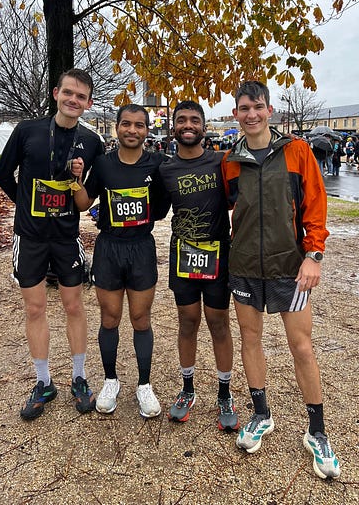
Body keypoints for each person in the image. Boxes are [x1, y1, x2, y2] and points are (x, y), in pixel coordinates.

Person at [222, 80, 340, 479]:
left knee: (301, 346)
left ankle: (317, 431)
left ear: (269, 110)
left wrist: (314, 255)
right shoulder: (230, 160)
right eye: (244, 108)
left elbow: (316, 206)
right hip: (244, 267)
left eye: (257, 107)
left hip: (289, 266)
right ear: (236, 114)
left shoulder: (297, 151)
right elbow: (228, 209)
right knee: (250, 339)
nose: (251, 114)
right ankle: (261, 414)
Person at [0, 68, 104, 420]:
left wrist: (77, 180)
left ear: (88, 103)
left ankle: (79, 377)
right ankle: (43, 382)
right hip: (30, 237)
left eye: (81, 96)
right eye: (68, 92)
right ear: (56, 93)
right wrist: (25, 204)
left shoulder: (92, 142)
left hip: (66, 237)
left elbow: (88, 195)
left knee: (74, 306)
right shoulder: (27, 130)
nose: (73, 100)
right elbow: (2, 174)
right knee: (35, 308)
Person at [71, 104, 168, 418]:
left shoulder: (157, 164)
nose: (132, 130)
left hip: (141, 248)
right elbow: (84, 203)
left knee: (141, 319)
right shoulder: (103, 164)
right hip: (109, 249)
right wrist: (75, 179)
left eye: (139, 125)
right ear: (117, 127)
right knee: (110, 317)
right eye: (126, 124)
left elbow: (162, 208)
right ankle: (110, 381)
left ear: (147, 130)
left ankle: (144, 385)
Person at [158, 101, 239, 432]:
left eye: (194, 120)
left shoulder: (222, 161)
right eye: (181, 120)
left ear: (204, 127)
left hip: (218, 255)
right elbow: (154, 209)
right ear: (173, 127)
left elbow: (243, 198)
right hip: (184, 256)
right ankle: (188, 389)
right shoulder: (166, 170)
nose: (188, 125)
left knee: (219, 324)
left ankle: (225, 393)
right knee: (187, 322)